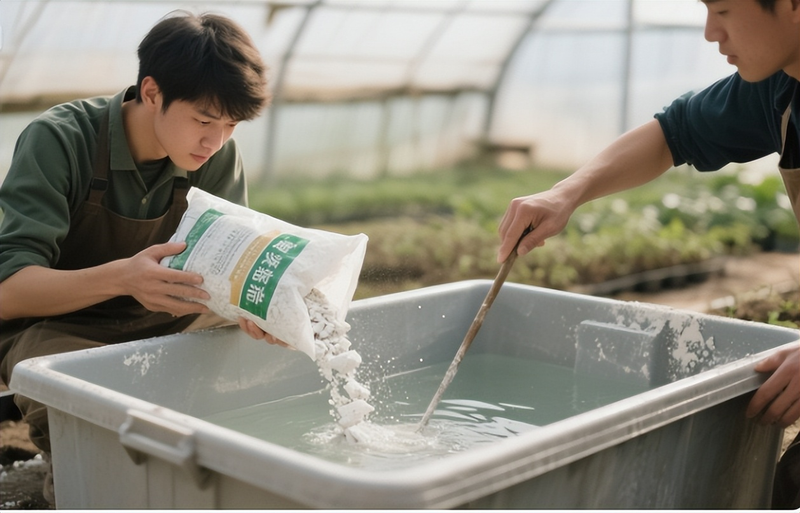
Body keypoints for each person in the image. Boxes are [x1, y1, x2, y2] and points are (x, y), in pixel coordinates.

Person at [497, 0, 799, 508]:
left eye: (723, 9)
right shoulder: (779, 89)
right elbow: (672, 134)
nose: (710, 33)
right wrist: (565, 193)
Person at [0, 10, 280, 504]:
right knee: (99, 434)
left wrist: (257, 308)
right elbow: (9, 293)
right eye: (204, 120)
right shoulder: (61, 141)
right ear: (151, 93)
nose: (215, 141)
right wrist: (124, 279)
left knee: (264, 362)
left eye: (232, 125)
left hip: (165, 314)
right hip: (55, 328)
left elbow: (228, 270)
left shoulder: (214, 156)